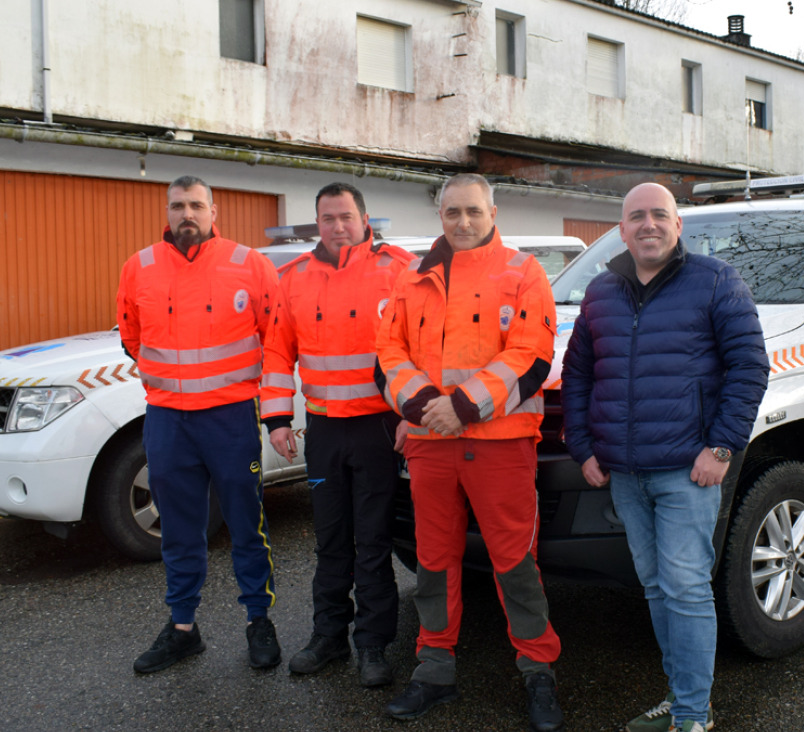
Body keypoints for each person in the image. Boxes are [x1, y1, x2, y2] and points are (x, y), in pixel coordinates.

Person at [560, 182, 769, 732]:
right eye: (636, 217)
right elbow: (579, 372)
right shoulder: (602, 291)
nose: (647, 225)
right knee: (656, 588)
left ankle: (692, 717)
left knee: (684, 588)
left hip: (687, 470)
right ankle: (681, 700)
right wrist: (582, 446)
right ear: (622, 229)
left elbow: (750, 366)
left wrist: (722, 447)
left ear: (678, 226)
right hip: (625, 474)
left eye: (659, 215)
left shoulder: (715, 280)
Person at [375, 173, 564, 731]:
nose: (463, 222)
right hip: (432, 445)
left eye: (473, 212)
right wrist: (426, 408)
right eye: (453, 212)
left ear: (492, 212)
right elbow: (388, 352)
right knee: (433, 561)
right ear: (441, 215)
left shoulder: (523, 272)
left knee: (515, 564)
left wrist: (461, 406)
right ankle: (434, 669)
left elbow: (531, 357)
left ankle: (538, 670)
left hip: (499, 444)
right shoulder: (412, 277)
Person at [117, 175, 285, 674]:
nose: (186, 214)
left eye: (196, 205)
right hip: (167, 419)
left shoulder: (249, 265)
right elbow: (130, 335)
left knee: (245, 523)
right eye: (177, 206)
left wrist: (272, 411)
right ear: (166, 212)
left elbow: (275, 341)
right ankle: (183, 628)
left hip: (230, 417)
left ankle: (259, 620)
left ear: (215, 210)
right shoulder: (138, 267)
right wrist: (173, 384)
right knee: (178, 527)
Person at [260, 182, 414, 687]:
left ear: (365, 218)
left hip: (378, 428)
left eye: (346, 216)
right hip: (324, 429)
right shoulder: (293, 279)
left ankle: (372, 645)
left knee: (371, 540)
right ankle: (328, 636)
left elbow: (421, 349)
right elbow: (278, 354)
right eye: (328, 218)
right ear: (317, 223)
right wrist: (278, 419)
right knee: (329, 542)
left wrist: (414, 415)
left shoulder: (399, 270)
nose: (338, 226)